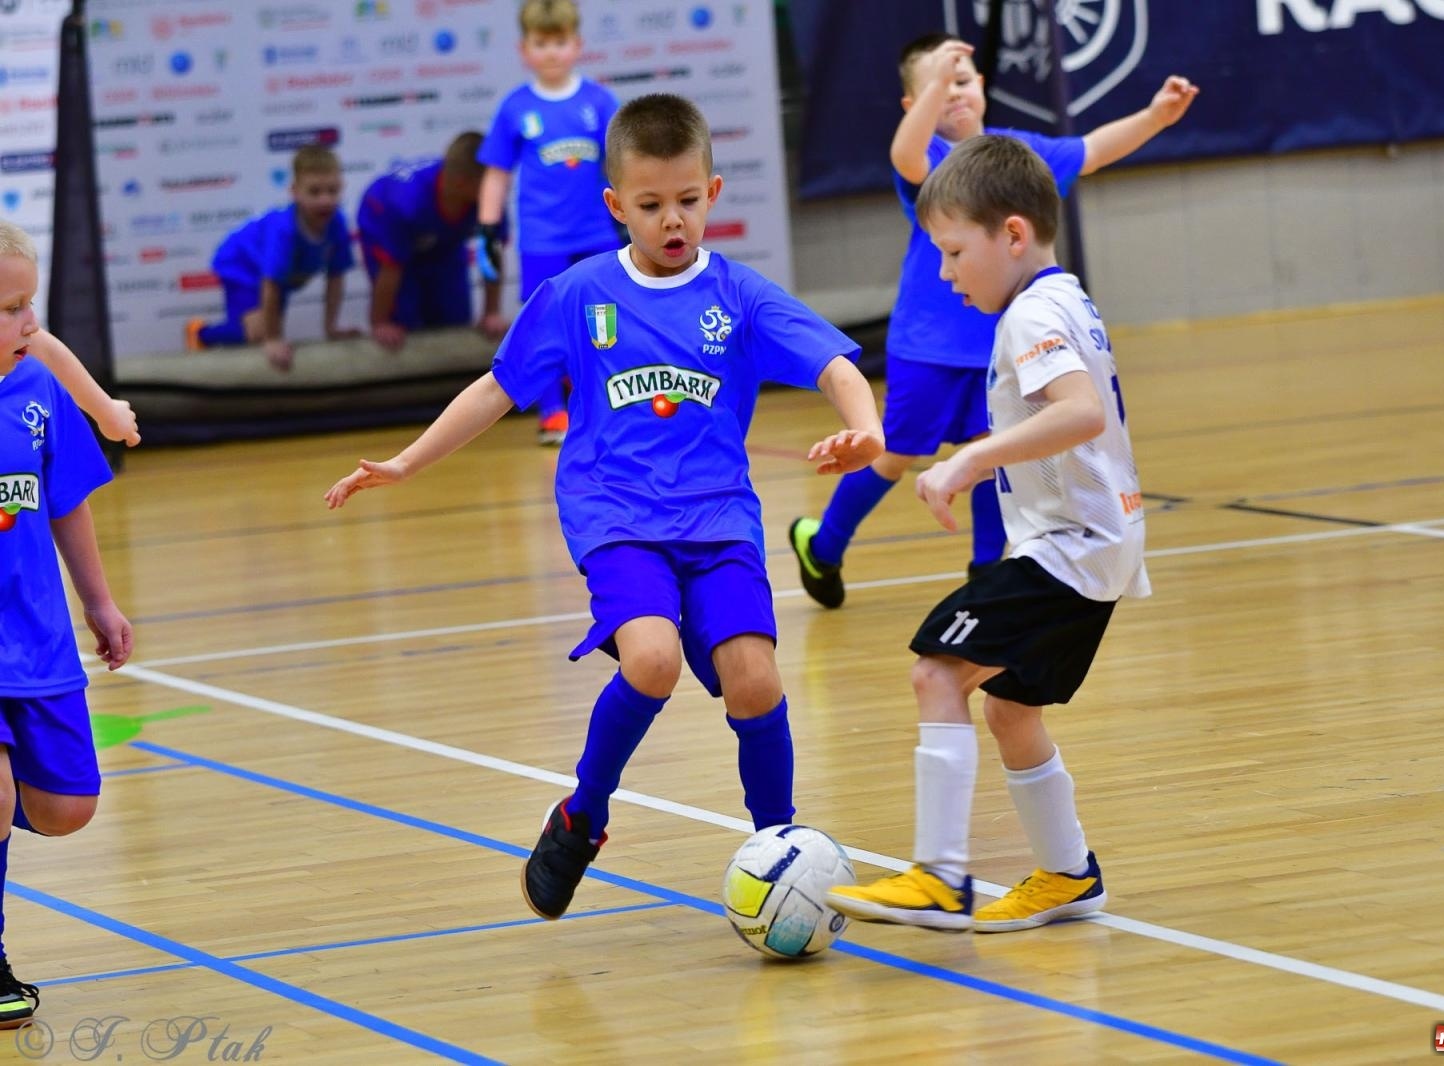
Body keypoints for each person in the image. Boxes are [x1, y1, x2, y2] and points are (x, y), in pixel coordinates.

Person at [326, 94, 884, 921]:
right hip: (616, 518)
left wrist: (864, 427)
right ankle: (582, 816)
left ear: (713, 194)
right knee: (651, 658)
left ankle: (781, 846)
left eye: (688, 202)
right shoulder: (578, 294)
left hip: (720, 519)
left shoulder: (738, 294)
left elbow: (834, 365)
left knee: (755, 678)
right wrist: (409, 462)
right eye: (652, 205)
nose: (673, 221)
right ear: (616, 206)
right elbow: (497, 388)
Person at [826, 135, 1150, 932]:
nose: (944, 273)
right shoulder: (1064, 296)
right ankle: (1068, 875)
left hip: (1070, 548)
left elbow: (1080, 412)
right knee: (1009, 705)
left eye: (954, 251)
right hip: (1095, 545)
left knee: (937, 673)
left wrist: (968, 461)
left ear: (1011, 235)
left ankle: (939, 877)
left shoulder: (1032, 313)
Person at [787, 34, 1195, 608]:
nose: (953, 92)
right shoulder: (931, 162)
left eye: (963, 78)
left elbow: (1094, 148)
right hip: (926, 348)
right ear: (915, 104)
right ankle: (824, 547)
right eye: (937, 84)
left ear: (982, 86)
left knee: (993, 447)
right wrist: (934, 86)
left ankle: (986, 570)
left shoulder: (1012, 160)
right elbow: (903, 153)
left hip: (996, 348)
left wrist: (1157, 115)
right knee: (895, 453)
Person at [0, 220, 134, 1026]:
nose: (29, 325)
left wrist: (100, 602)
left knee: (64, 807)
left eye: (29, 305)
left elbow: (67, 502)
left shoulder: (38, 392)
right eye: (11, 309)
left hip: (37, 639)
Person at [474, 0, 622, 444]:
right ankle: (552, 411)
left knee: (604, 320)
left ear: (576, 45)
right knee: (543, 322)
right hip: (542, 238)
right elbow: (497, 174)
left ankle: (600, 406)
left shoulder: (599, 101)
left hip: (596, 231)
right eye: (542, 43)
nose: (552, 52)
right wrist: (487, 227)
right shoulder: (515, 108)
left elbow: (622, 165)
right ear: (525, 49)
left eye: (560, 42)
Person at [185, 145, 360, 371]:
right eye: (315, 192)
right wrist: (272, 338)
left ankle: (262, 333)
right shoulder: (284, 230)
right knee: (258, 333)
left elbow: (335, 278)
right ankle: (200, 332)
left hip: (282, 278)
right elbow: (271, 283)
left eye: (333, 191)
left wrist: (331, 328)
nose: (325, 200)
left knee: (269, 325)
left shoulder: (337, 224)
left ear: (341, 188)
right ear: (295, 191)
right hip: (242, 264)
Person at [357, 132, 511, 353]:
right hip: (385, 224)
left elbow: (491, 255)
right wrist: (380, 321)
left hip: (442, 242)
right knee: (404, 322)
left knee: (454, 318)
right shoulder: (406, 203)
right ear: (461, 183)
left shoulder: (488, 199)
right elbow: (390, 268)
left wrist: (491, 312)